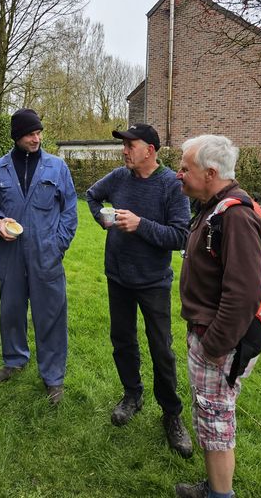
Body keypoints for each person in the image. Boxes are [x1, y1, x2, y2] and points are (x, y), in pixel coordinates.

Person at [86, 123, 194, 459]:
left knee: (161, 349)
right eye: (124, 145)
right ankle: (132, 394)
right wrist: (102, 218)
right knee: (122, 340)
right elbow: (92, 195)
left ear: (150, 149)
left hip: (153, 282)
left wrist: (140, 225)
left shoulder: (170, 186)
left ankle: (171, 414)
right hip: (118, 276)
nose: (124, 150)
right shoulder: (118, 177)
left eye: (130, 145)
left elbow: (180, 235)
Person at [174, 134, 261, 498]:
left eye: (185, 168)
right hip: (208, 334)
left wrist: (213, 346)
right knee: (210, 415)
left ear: (210, 172)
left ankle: (220, 494)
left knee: (216, 421)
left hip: (220, 342)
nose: (179, 174)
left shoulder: (236, 217)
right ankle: (213, 485)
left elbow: (243, 294)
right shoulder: (213, 208)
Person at [0, 108, 78, 405]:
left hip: (46, 253)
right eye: (29, 134)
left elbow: (70, 210)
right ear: (16, 136)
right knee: (11, 309)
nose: (36, 138)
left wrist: (58, 244)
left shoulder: (56, 167)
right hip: (10, 251)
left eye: (38, 133)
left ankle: (53, 377)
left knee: (50, 313)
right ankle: (14, 359)